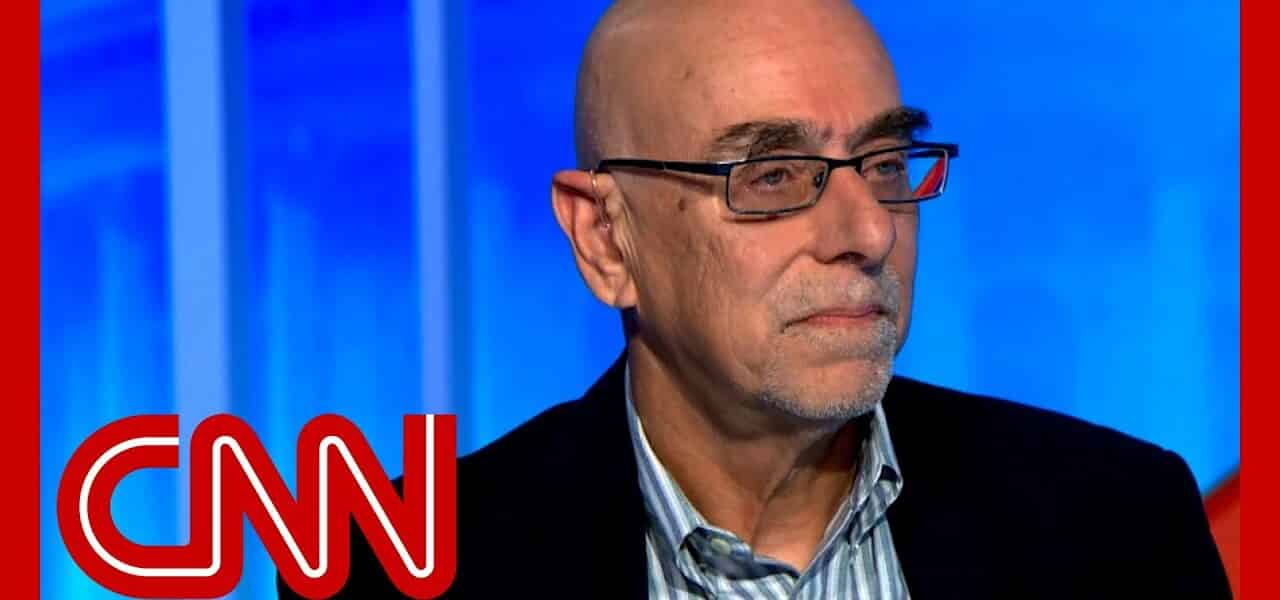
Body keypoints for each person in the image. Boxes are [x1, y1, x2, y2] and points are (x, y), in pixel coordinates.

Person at [281, 0, 1230, 597]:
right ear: (606, 239)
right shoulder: (386, 567)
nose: (867, 231)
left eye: (885, 162)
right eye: (772, 176)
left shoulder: (1119, 524)